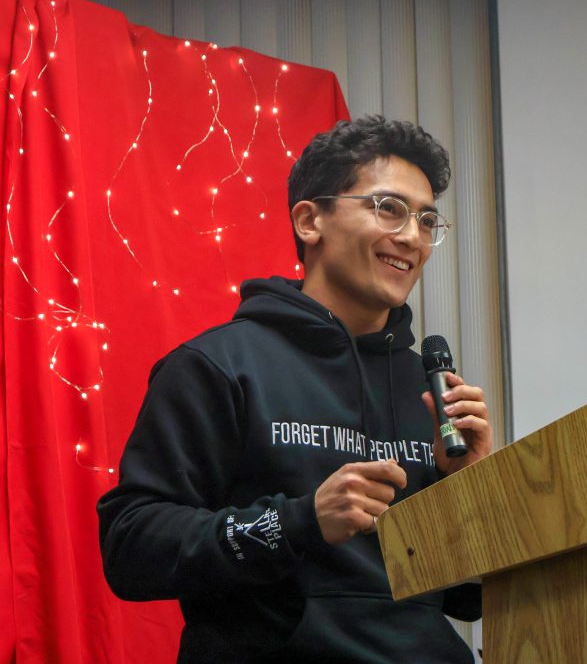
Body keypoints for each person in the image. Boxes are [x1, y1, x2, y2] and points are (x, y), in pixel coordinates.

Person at [97, 115, 493, 663]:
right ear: (310, 220)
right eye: (389, 208)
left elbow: (466, 597)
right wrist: (299, 522)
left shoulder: (428, 388)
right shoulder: (216, 365)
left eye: (427, 220)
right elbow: (131, 547)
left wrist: (469, 487)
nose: (412, 237)